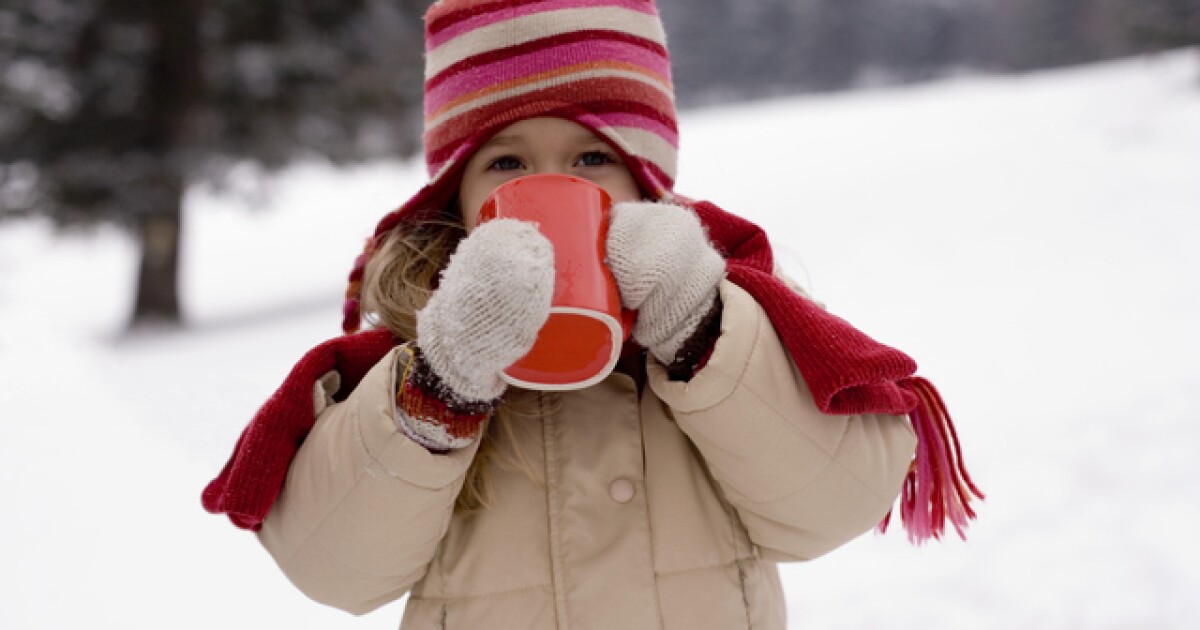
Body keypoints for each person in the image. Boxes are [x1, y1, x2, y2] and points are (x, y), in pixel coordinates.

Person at [202, 1, 982, 628]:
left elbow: (835, 505)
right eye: (506, 161)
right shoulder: (407, 348)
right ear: (457, 199)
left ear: (647, 183)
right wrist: (439, 385)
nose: (554, 187)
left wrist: (699, 332)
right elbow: (333, 568)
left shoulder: (732, 314)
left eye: (591, 158)